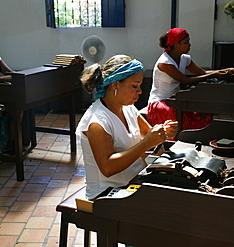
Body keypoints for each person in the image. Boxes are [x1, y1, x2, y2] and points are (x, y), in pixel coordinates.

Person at [76, 54, 178, 200]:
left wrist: (163, 132)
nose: (140, 91)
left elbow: (148, 134)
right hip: (107, 194)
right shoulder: (96, 122)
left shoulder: (128, 108)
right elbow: (108, 168)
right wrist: (148, 142)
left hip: (134, 183)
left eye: (140, 86)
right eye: (134, 86)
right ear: (115, 84)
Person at [146, 28, 234, 131]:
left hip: (175, 99)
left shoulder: (184, 59)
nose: (189, 45)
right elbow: (185, 80)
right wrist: (214, 75)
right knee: (179, 118)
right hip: (160, 102)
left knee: (200, 112)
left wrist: (225, 70)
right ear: (176, 44)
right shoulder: (165, 62)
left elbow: (202, 73)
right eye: (186, 43)